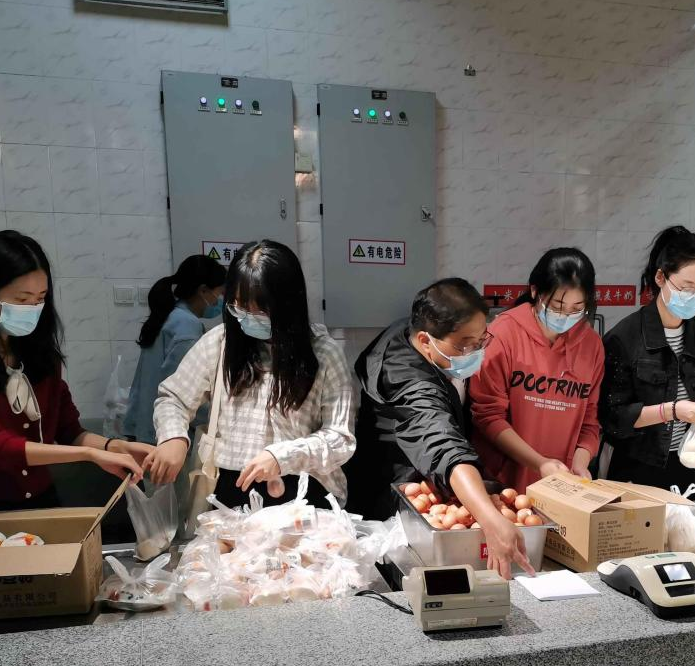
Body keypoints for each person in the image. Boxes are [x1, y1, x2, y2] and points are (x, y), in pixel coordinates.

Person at [0, 231, 152, 518]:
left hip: (39, 501)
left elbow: (68, 430)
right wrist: (89, 455)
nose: (33, 309)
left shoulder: (38, 354)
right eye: (22, 299)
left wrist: (114, 446)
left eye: (40, 299)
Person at [144, 239, 356, 509]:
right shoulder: (220, 343)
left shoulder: (323, 353)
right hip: (232, 490)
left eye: (261, 309)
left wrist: (283, 457)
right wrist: (174, 436)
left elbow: (341, 439)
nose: (248, 316)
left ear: (287, 304)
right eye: (240, 305)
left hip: (303, 492)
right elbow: (174, 397)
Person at [347, 278, 535, 580]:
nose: (476, 351)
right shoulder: (410, 381)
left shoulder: (410, 332)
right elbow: (440, 441)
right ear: (425, 341)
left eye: (481, 340)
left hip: (427, 480)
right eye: (465, 344)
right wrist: (490, 518)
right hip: (394, 500)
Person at [599, 225, 695, 497]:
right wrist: (673, 411)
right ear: (661, 277)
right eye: (687, 288)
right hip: (637, 466)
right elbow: (613, 417)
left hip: (691, 461)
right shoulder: (625, 337)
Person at [468, 248, 604, 494]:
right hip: (504, 483)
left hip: (561, 486)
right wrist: (539, 463)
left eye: (577, 309)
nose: (566, 316)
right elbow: (488, 416)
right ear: (535, 292)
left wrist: (580, 463)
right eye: (558, 306)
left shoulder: (591, 345)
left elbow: (590, 419)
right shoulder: (504, 333)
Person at [122, 254, 227, 445]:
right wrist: (223, 420)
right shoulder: (187, 327)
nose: (219, 301)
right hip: (163, 434)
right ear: (203, 290)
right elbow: (183, 392)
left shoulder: (169, 315)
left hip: (141, 427)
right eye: (219, 294)